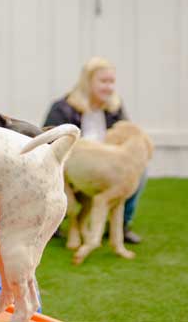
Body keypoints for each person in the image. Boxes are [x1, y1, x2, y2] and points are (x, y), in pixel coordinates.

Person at [43, 56, 145, 244]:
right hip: (73, 163)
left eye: (112, 82)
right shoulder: (62, 108)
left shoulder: (115, 107)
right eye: (103, 81)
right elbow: (51, 141)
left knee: (138, 172)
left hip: (105, 166)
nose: (109, 87)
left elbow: (125, 137)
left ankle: (122, 224)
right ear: (87, 82)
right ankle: (55, 222)